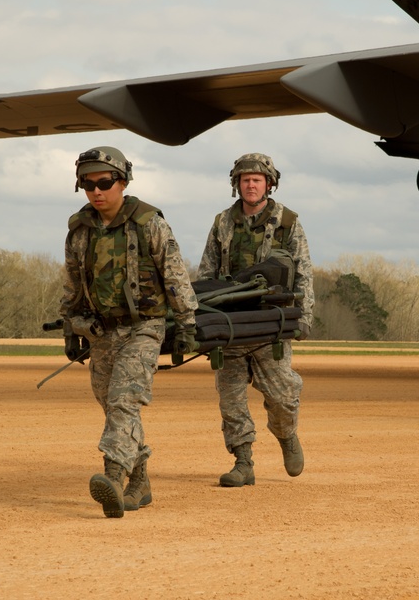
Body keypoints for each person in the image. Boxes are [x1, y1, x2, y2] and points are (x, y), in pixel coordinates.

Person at [59, 146, 198, 518]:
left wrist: (186, 323)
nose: (96, 190)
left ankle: (113, 477)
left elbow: (175, 274)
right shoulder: (80, 230)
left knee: (124, 399)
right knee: (111, 404)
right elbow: (72, 282)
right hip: (101, 332)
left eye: (104, 182)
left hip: (144, 328)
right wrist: (69, 326)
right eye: (87, 184)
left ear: (122, 181)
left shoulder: (149, 222)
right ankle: (140, 482)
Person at [196, 152, 315, 486]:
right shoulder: (222, 222)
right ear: (237, 184)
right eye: (245, 180)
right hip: (231, 325)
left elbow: (303, 271)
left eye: (256, 179)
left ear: (269, 184)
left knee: (282, 395)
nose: (250, 185)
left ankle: (286, 434)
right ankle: (243, 462)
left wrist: (303, 317)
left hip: (269, 323)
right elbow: (207, 272)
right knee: (230, 398)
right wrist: (203, 319)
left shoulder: (287, 222)